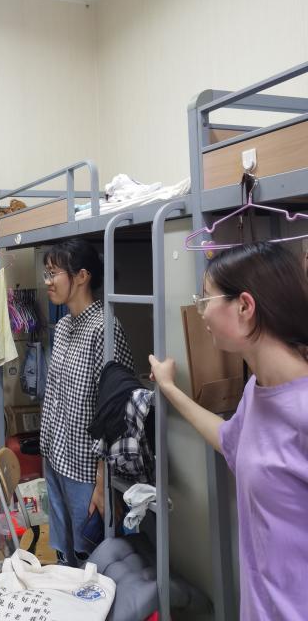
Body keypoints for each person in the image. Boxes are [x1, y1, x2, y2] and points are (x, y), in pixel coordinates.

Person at [149, 241, 308, 621]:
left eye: (206, 298)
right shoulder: (258, 389)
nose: (201, 311)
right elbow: (229, 439)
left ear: (245, 307)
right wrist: (170, 389)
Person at [39, 238, 134, 567]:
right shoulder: (64, 326)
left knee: (89, 559)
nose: (48, 281)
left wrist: (103, 481)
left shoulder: (105, 329)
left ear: (81, 276)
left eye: (54, 273)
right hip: (55, 457)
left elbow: (116, 413)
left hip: (85, 469)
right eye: (46, 273)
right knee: (64, 552)